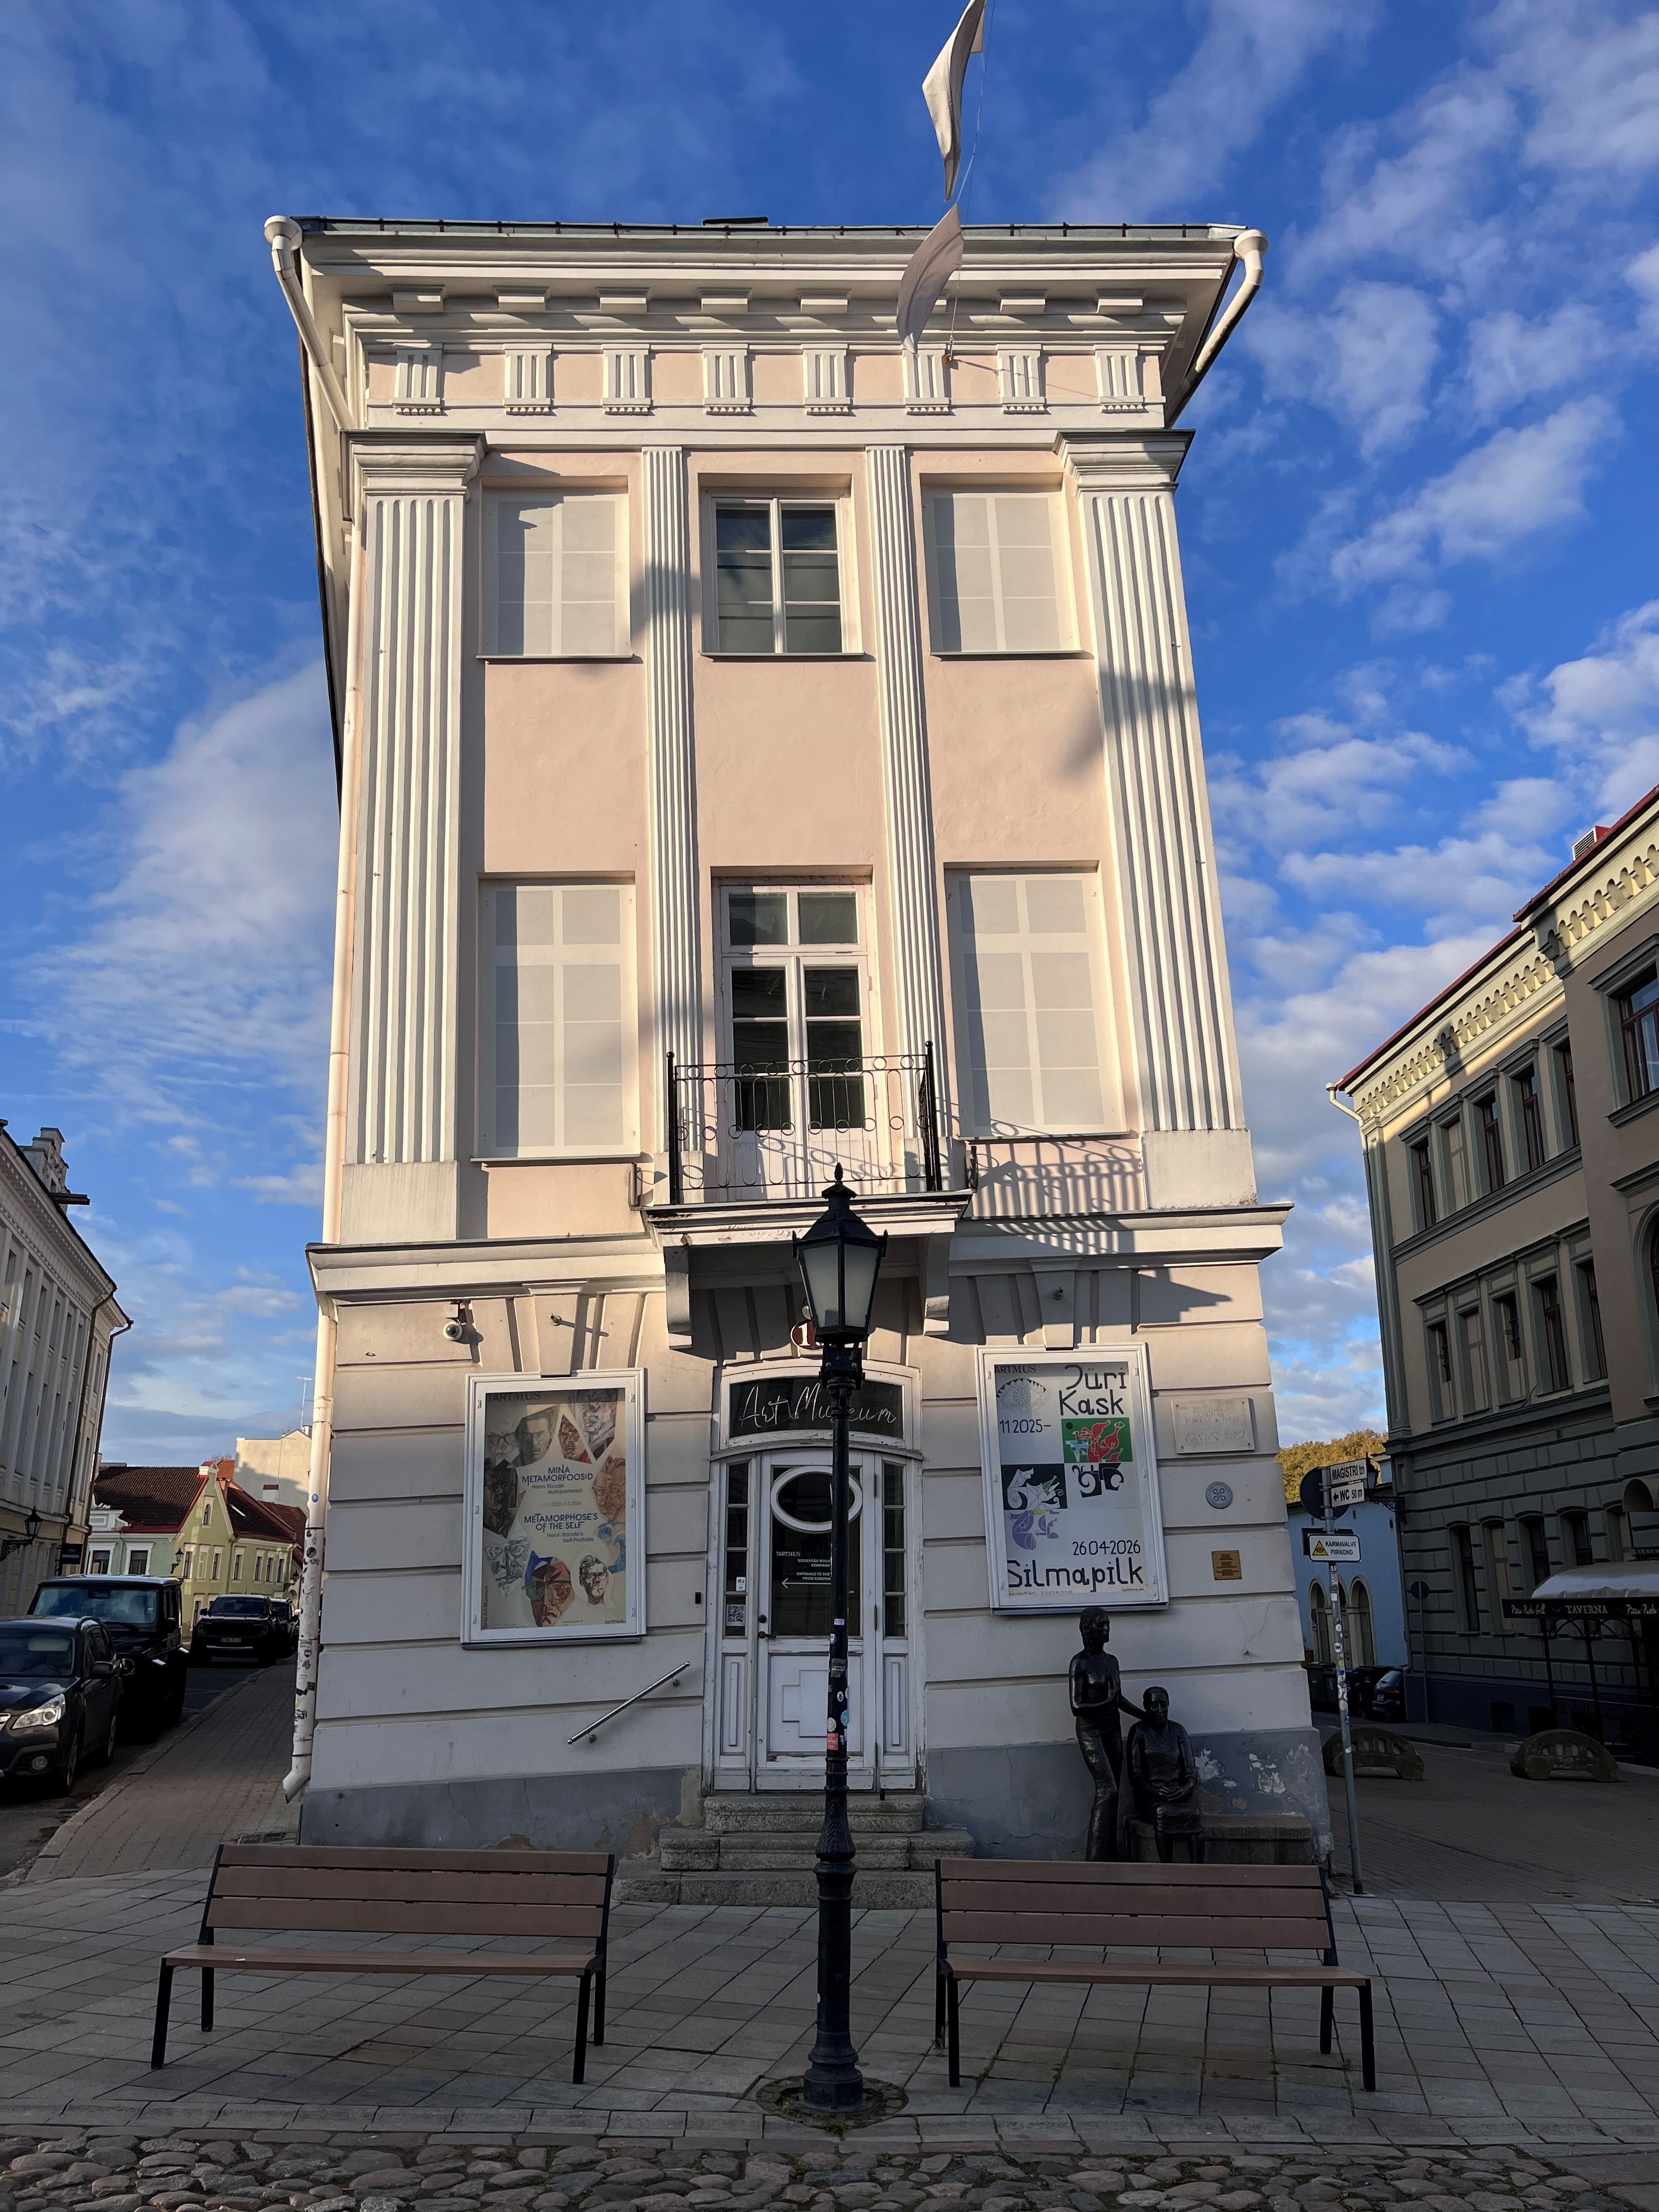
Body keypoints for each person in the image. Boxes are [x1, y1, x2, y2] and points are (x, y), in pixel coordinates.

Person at [1068, 1607, 1144, 1860]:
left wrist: (1145, 1716)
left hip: (1113, 1731)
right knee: (1107, 1791)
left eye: (1108, 1624)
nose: (1107, 1629)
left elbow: (1118, 1699)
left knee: (1115, 1796)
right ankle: (1095, 1861)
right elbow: (1077, 1707)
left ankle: (1111, 1858)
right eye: (1101, 1625)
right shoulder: (1080, 1662)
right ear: (1087, 1629)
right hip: (1092, 1733)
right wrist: (1107, 1701)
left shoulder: (1112, 1661)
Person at [1125, 1686, 1202, 1863]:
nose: (1160, 1711)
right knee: (1162, 1813)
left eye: (1164, 1705)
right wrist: (1157, 1792)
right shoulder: (1139, 1732)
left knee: (1195, 1814)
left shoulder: (1178, 1731)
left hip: (1178, 1794)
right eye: (1154, 1706)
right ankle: (1167, 1870)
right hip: (1151, 1798)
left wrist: (1185, 1789)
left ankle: (1199, 1872)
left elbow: (1191, 1771)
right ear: (1146, 1707)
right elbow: (1135, 1776)